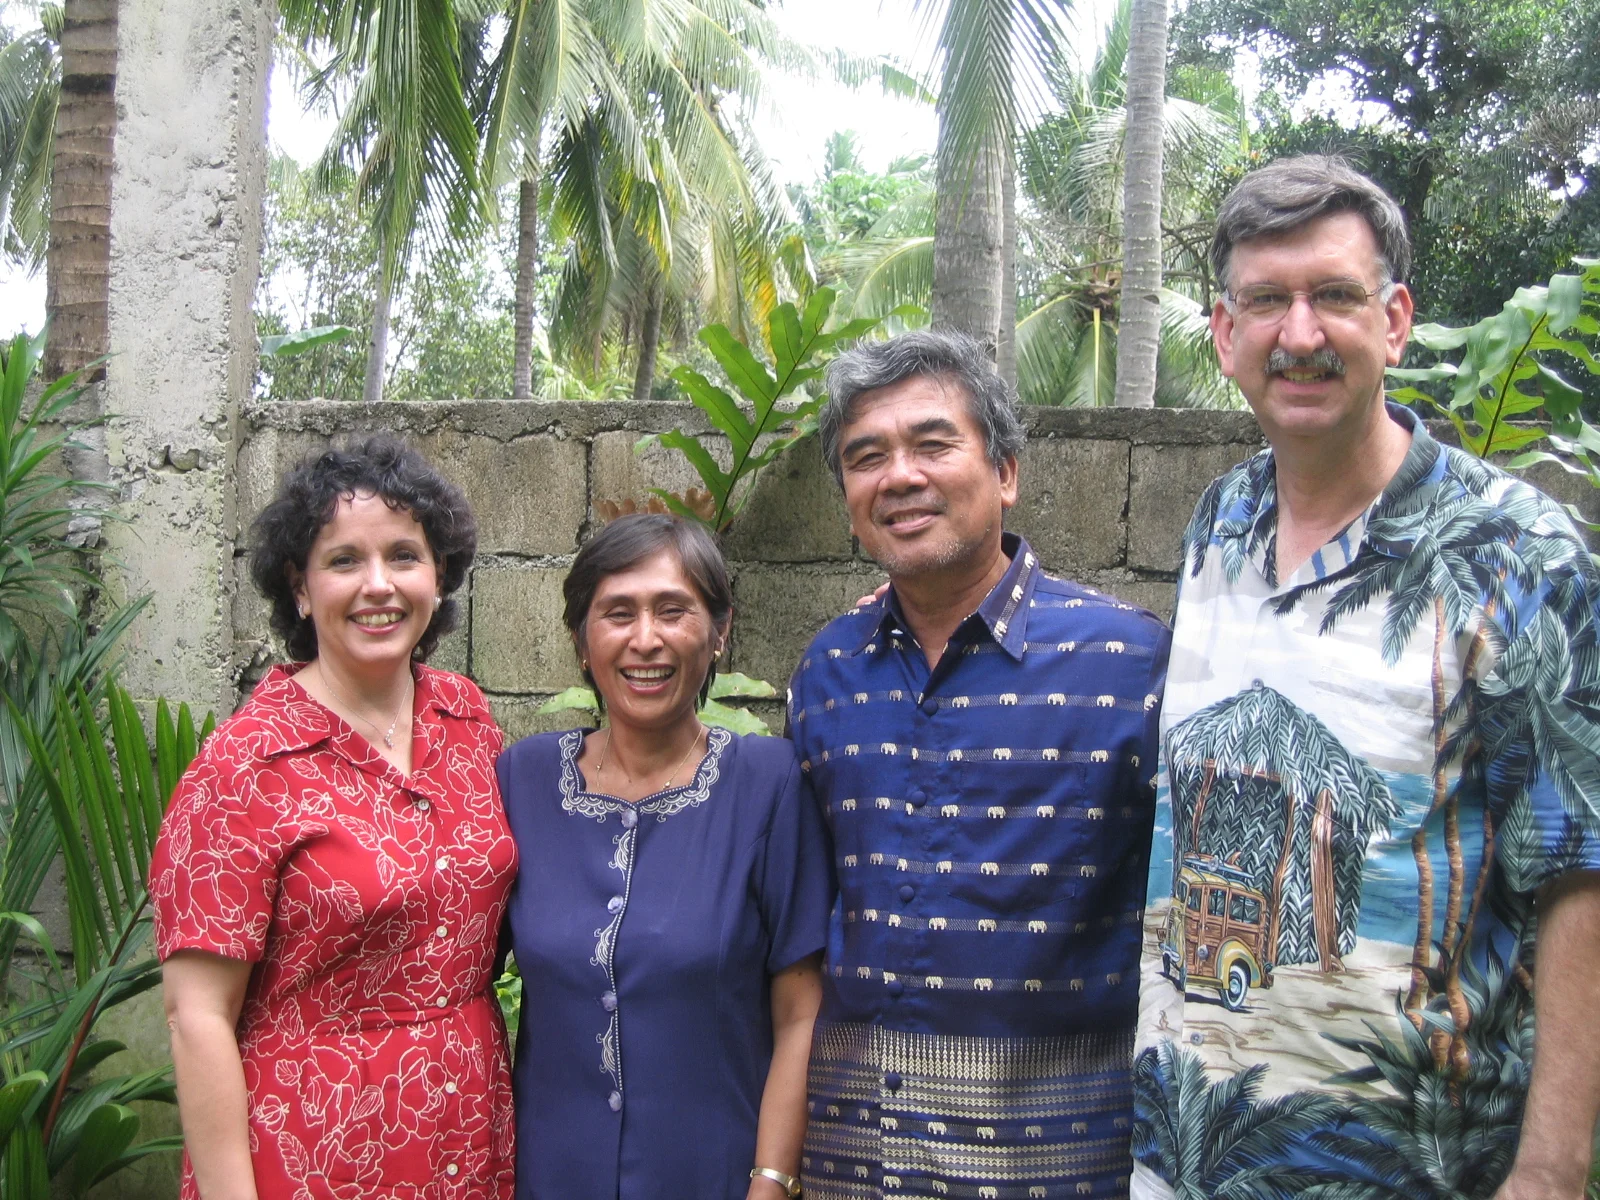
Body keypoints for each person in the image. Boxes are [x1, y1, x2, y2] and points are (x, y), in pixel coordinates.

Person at [1132, 156, 1600, 1200]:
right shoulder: (1221, 523)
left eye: (1332, 296)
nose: (1298, 335)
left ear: (1392, 321)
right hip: (1187, 1157)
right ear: (1224, 334)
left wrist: (1553, 1171)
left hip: (1408, 1169)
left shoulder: (1519, 554)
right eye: (1265, 302)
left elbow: (1582, 870)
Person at [790, 328, 1171, 1199]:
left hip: (1057, 1165)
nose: (899, 476)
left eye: (932, 443)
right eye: (866, 456)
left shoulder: (1131, 666)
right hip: (857, 1166)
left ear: (1004, 472)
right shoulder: (826, 675)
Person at [151, 436, 516, 1200]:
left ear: (439, 576)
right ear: (299, 586)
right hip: (314, 1145)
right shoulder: (244, 767)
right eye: (344, 560)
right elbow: (197, 1016)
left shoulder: (469, 721)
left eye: (404, 556)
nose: (378, 585)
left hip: (469, 1132)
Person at [496, 513, 833, 1200]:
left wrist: (771, 1183)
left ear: (718, 633)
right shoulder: (522, 781)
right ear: (580, 640)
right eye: (617, 613)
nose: (645, 639)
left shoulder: (768, 784)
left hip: (714, 1175)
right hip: (547, 1176)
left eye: (673, 611)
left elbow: (801, 1010)